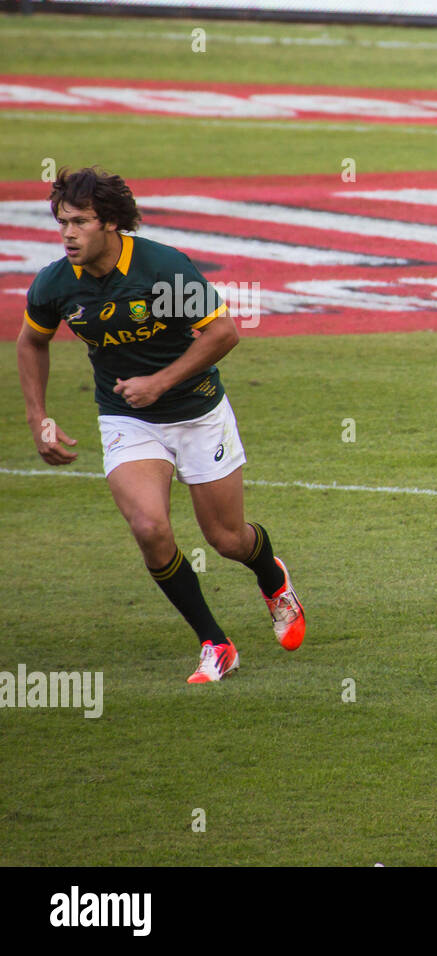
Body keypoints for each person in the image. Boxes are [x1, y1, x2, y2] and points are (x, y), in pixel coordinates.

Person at [16, 166, 304, 683]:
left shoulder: (161, 271)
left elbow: (222, 333)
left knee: (227, 538)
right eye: (61, 222)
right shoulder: (58, 283)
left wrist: (161, 382)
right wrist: (40, 418)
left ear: (109, 223)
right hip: (127, 418)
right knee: (150, 528)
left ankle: (272, 576)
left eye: (79, 222)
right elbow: (32, 341)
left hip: (197, 411)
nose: (67, 234)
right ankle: (216, 644)